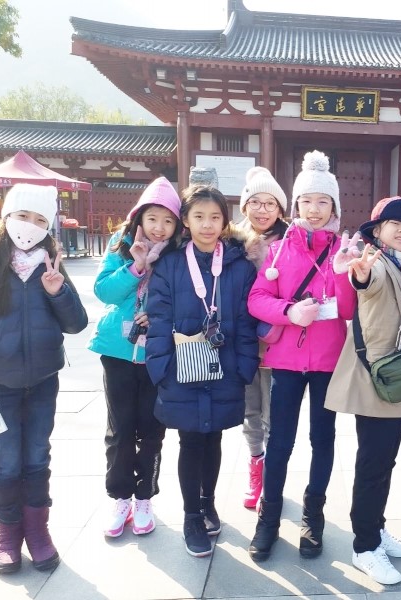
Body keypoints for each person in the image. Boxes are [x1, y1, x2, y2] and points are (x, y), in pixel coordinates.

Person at [0, 183, 88, 573]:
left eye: (39, 220)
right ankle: (7, 536)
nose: (29, 226)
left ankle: (38, 532)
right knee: (6, 461)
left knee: (36, 456)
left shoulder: (51, 262)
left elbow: (77, 323)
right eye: (22, 216)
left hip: (42, 383)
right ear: (6, 216)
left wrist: (57, 291)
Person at [246, 150, 356, 562]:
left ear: (334, 207)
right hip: (287, 363)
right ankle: (269, 518)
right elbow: (257, 298)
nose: (314, 209)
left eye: (323, 201)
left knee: (322, 440)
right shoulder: (278, 251)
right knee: (280, 441)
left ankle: (313, 517)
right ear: (295, 205)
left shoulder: (344, 249)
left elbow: (348, 310)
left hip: (328, 361)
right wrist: (289, 312)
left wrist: (343, 274)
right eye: (306, 201)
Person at [144, 185, 259, 557]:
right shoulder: (170, 264)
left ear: (225, 221)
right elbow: (158, 320)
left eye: (215, 217)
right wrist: (161, 368)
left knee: (214, 439)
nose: (207, 225)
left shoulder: (239, 266)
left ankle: (208, 503)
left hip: (226, 367)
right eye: (199, 217)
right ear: (186, 221)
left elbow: (246, 322)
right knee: (191, 441)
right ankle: (192, 516)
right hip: (181, 369)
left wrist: (244, 367)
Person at [326, 197, 401, 585]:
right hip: (378, 378)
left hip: (398, 377)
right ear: (378, 229)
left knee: (384, 461)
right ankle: (365, 547)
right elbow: (367, 283)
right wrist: (361, 275)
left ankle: (376, 528)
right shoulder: (379, 263)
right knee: (373, 464)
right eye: (394, 224)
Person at [88, 177, 182, 538]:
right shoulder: (121, 245)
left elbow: (184, 301)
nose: (159, 227)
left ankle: (144, 497)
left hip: (158, 353)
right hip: (117, 352)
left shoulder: (178, 255)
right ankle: (120, 497)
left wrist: (160, 318)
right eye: (152, 218)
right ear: (139, 217)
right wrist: (135, 267)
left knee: (152, 429)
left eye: (168, 220)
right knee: (120, 429)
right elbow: (104, 291)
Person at [236, 166, 289, 510]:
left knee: (274, 414)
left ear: (280, 209)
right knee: (249, 410)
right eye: (255, 202)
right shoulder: (231, 241)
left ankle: (272, 478)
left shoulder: (291, 242)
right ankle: (255, 469)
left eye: (270, 203)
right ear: (245, 206)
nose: (262, 210)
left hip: (276, 340)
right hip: (241, 342)